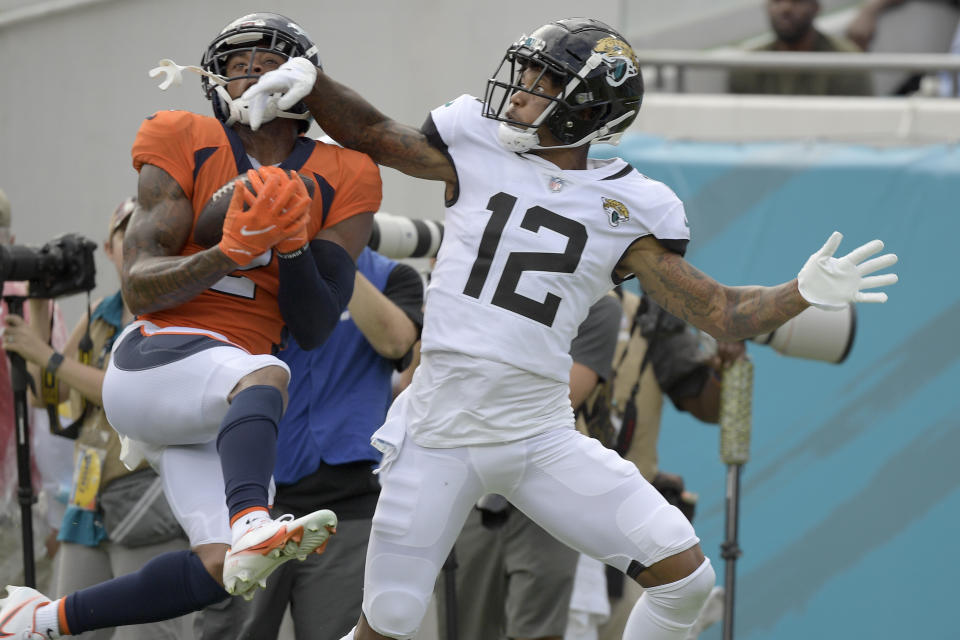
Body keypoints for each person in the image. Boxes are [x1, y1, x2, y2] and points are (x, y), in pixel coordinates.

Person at [241, 17, 898, 640]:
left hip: (537, 434)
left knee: (687, 580)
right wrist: (317, 86)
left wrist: (801, 293)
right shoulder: (475, 145)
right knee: (391, 621)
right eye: (525, 74)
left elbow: (720, 311)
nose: (521, 90)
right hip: (440, 431)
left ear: (586, 106)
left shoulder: (628, 208)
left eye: (543, 80)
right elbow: (379, 134)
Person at [0, 12, 381, 639]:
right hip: (157, 360)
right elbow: (139, 287)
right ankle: (253, 516)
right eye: (237, 65)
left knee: (225, 569)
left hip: (216, 402)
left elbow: (314, 326)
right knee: (264, 375)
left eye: (270, 64)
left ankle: (40, 618)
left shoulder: (348, 174)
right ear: (214, 80)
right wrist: (226, 253)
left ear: (306, 83)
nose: (253, 75)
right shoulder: (184, 137)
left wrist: (289, 248)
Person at [197, 247, 423, 640]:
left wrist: (331, 251)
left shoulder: (391, 275)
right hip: (252, 500)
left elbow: (398, 342)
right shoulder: (253, 266)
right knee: (228, 632)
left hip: (346, 508)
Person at [3, 197, 196, 640]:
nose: (136, 242)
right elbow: (47, 394)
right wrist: (39, 303)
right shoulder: (102, 313)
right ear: (108, 250)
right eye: (124, 235)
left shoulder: (176, 311)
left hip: (146, 503)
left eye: (147, 231)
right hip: (88, 503)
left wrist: (47, 355)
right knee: (61, 628)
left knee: (143, 632)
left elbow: (122, 390)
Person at [437, 295, 622, 640]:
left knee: (537, 632)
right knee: (465, 627)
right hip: (471, 490)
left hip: (548, 490)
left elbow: (558, 399)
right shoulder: (468, 292)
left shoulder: (597, 306)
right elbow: (417, 386)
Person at [727, 0, 875, 96]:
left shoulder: (847, 63)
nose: (785, 8)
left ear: (816, 8)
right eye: (777, 1)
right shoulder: (748, 66)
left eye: (797, 1)